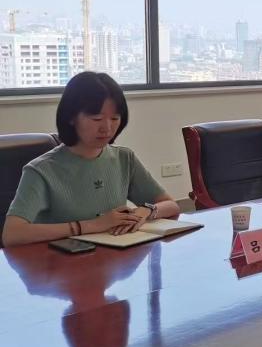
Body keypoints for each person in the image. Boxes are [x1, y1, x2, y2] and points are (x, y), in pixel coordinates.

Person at [2, 72, 179, 248]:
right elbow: (12, 234)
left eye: (115, 118)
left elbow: (171, 205)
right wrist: (91, 225)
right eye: (97, 119)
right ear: (71, 117)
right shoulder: (41, 170)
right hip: (61, 261)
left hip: (113, 257)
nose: (107, 128)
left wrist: (146, 211)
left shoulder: (124, 158)